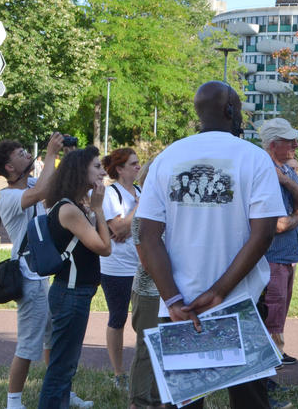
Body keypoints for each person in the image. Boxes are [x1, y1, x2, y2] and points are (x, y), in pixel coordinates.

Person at [136, 81, 287, 409]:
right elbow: (263, 233)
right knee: (250, 403)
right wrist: (219, 292)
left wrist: (173, 299)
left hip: (180, 308)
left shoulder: (166, 158)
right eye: (239, 108)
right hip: (239, 301)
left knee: (184, 403)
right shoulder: (255, 158)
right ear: (231, 111)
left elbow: (147, 237)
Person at [0, 133, 93, 409]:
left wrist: (68, 155)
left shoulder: (33, 181)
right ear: (9, 167)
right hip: (28, 276)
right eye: (21, 153)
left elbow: (53, 184)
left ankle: (63, 392)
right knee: (28, 345)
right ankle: (13, 402)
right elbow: (42, 193)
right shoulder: (9, 197)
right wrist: (49, 154)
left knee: (52, 340)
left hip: (43, 274)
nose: (26, 155)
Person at [37, 146, 112, 408]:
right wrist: (98, 209)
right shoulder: (69, 210)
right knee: (61, 369)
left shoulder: (71, 206)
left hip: (73, 293)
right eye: (97, 166)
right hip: (71, 294)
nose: (103, 171)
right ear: (81, 172)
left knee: (65, 367)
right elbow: (105, 248)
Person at [259, 118, 298, 366]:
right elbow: (277, 225)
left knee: (278, 312)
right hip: (269, 259)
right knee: (270, 314)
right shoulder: (261, 172)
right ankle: (266, 370)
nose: (295, 143)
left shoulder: (284, 170)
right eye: (289, 140)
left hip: (285, 257)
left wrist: (284, 180)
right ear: (273, 144)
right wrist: (297, 214)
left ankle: (273, 362)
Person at [101, 148, 142, 389]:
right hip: (116, 267)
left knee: (145, 319)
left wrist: (128, 223)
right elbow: (117, 228)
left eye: (138, 163)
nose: (138, 167)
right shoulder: (111, 193)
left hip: (141, 265)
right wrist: (138, 209)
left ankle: (142, 369)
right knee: (118, 318)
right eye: (133, 164)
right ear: (119, 168)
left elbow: (133, 226)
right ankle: (119, 374)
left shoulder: (139, 191)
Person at [128, 159, 164, 409]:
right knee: (146, 347)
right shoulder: (143, 215)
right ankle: (139, 402)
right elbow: (148, 261)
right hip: (150, 290)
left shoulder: (165, 209)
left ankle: (158, 398)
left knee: (162, 347)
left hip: (165, 290)